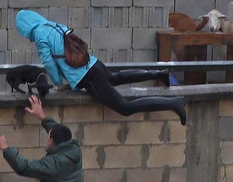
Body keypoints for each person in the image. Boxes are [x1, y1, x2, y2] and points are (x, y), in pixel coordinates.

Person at [14, 9, 187, 124]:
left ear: (24, 28)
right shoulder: (51, 25)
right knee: (114, 78)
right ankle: (160, 74)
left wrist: (58, 83)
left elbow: (49, 62)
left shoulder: (39, 35)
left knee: (125, 108)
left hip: (87, 77)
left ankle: (173, 103)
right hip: (93, 63)